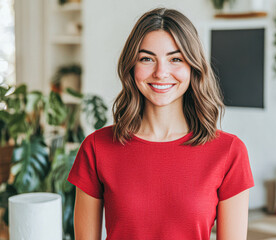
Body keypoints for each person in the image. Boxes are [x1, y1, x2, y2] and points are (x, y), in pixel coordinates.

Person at [67, 7, 254, 240]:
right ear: (131, 67)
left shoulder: (229, 152)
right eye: (147, 59)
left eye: (175, 59)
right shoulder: (97, 147)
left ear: (193, 67)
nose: (161, 72)